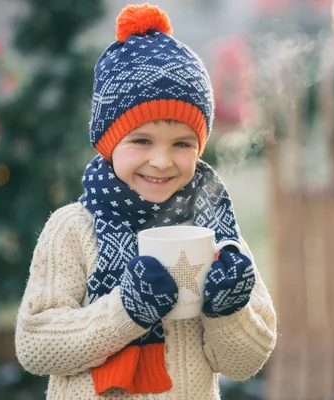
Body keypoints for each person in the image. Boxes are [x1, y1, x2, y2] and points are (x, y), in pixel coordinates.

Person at [14, 4, 277, 399]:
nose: (161, 160)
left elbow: (243, 364)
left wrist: (228, 310)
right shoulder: (73, 229)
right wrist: (127, 311)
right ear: (109, 142)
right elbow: (35, 346)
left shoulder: (215, 233)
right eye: (141, 140)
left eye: (182, 143)